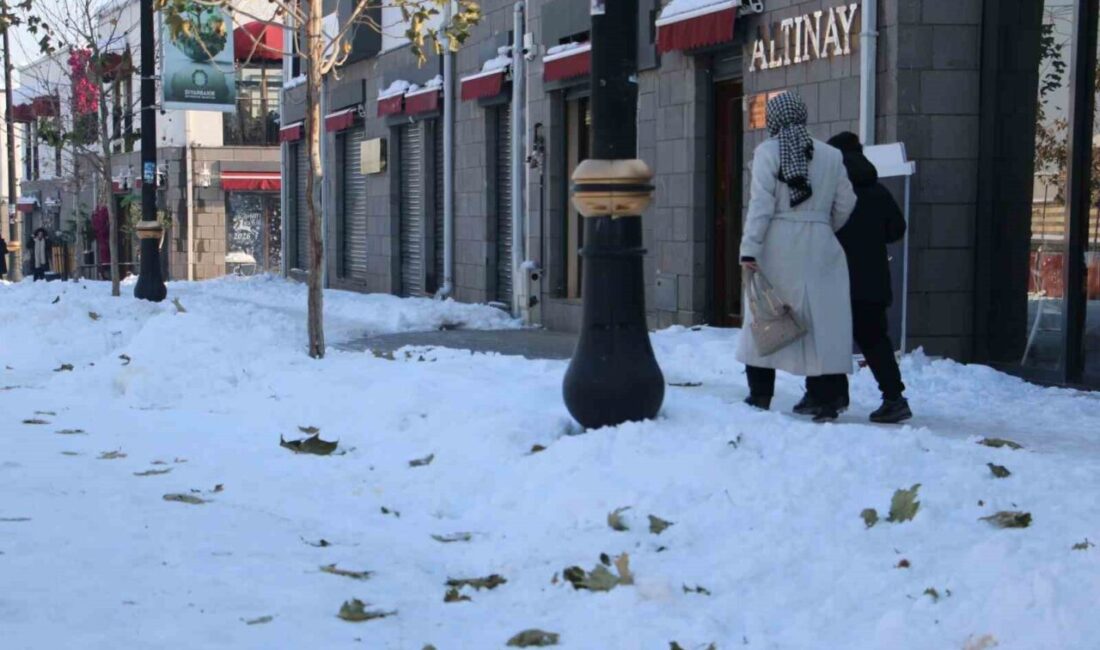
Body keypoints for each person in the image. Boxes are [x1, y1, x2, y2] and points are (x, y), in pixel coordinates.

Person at [737, 92, 858, 422]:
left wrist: (749, 248)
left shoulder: (767, 152)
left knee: (766, 316)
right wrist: (821, 225)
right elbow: (846, 202)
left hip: (777, 246)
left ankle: (761, 394)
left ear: (773, 120)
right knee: (823, 324)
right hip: (821, 246)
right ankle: (826, 398)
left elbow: (761, 205)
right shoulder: (832, 155)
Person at [813, 131, 911, 424]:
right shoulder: (878, 190)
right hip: (873, 281)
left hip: (837, 278)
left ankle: (831, 400)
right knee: (875, 340)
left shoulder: (832, 191)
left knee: (831, 339)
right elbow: (896, 230)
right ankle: (894, 397)